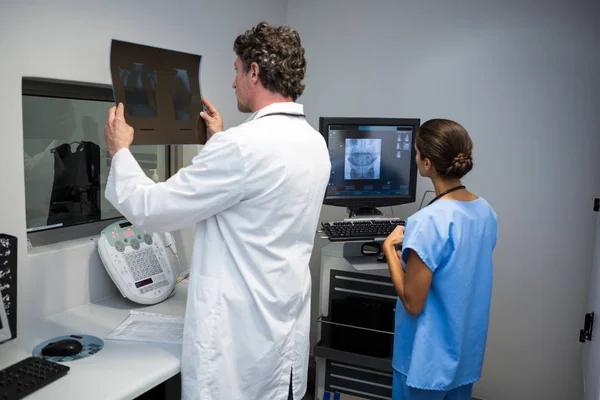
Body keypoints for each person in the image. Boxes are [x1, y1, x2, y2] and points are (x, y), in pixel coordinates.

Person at [103, 22, 331, 400]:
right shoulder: (313, 142)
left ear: (254, 71)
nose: (233, 82)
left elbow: (152, 208)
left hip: (236, 344)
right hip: (280, 331)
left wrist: (120, 152)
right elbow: (254, 199)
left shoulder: (243, 148)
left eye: (236, 70)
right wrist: (221, 141)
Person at [383, 119, 498, 400]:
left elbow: (413, 303)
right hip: (462, 359)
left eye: (416, 152)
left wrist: (390, 250)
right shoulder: (485, 212)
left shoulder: (427, 223)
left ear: (427, 163)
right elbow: (459, 272)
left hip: (425, 366)